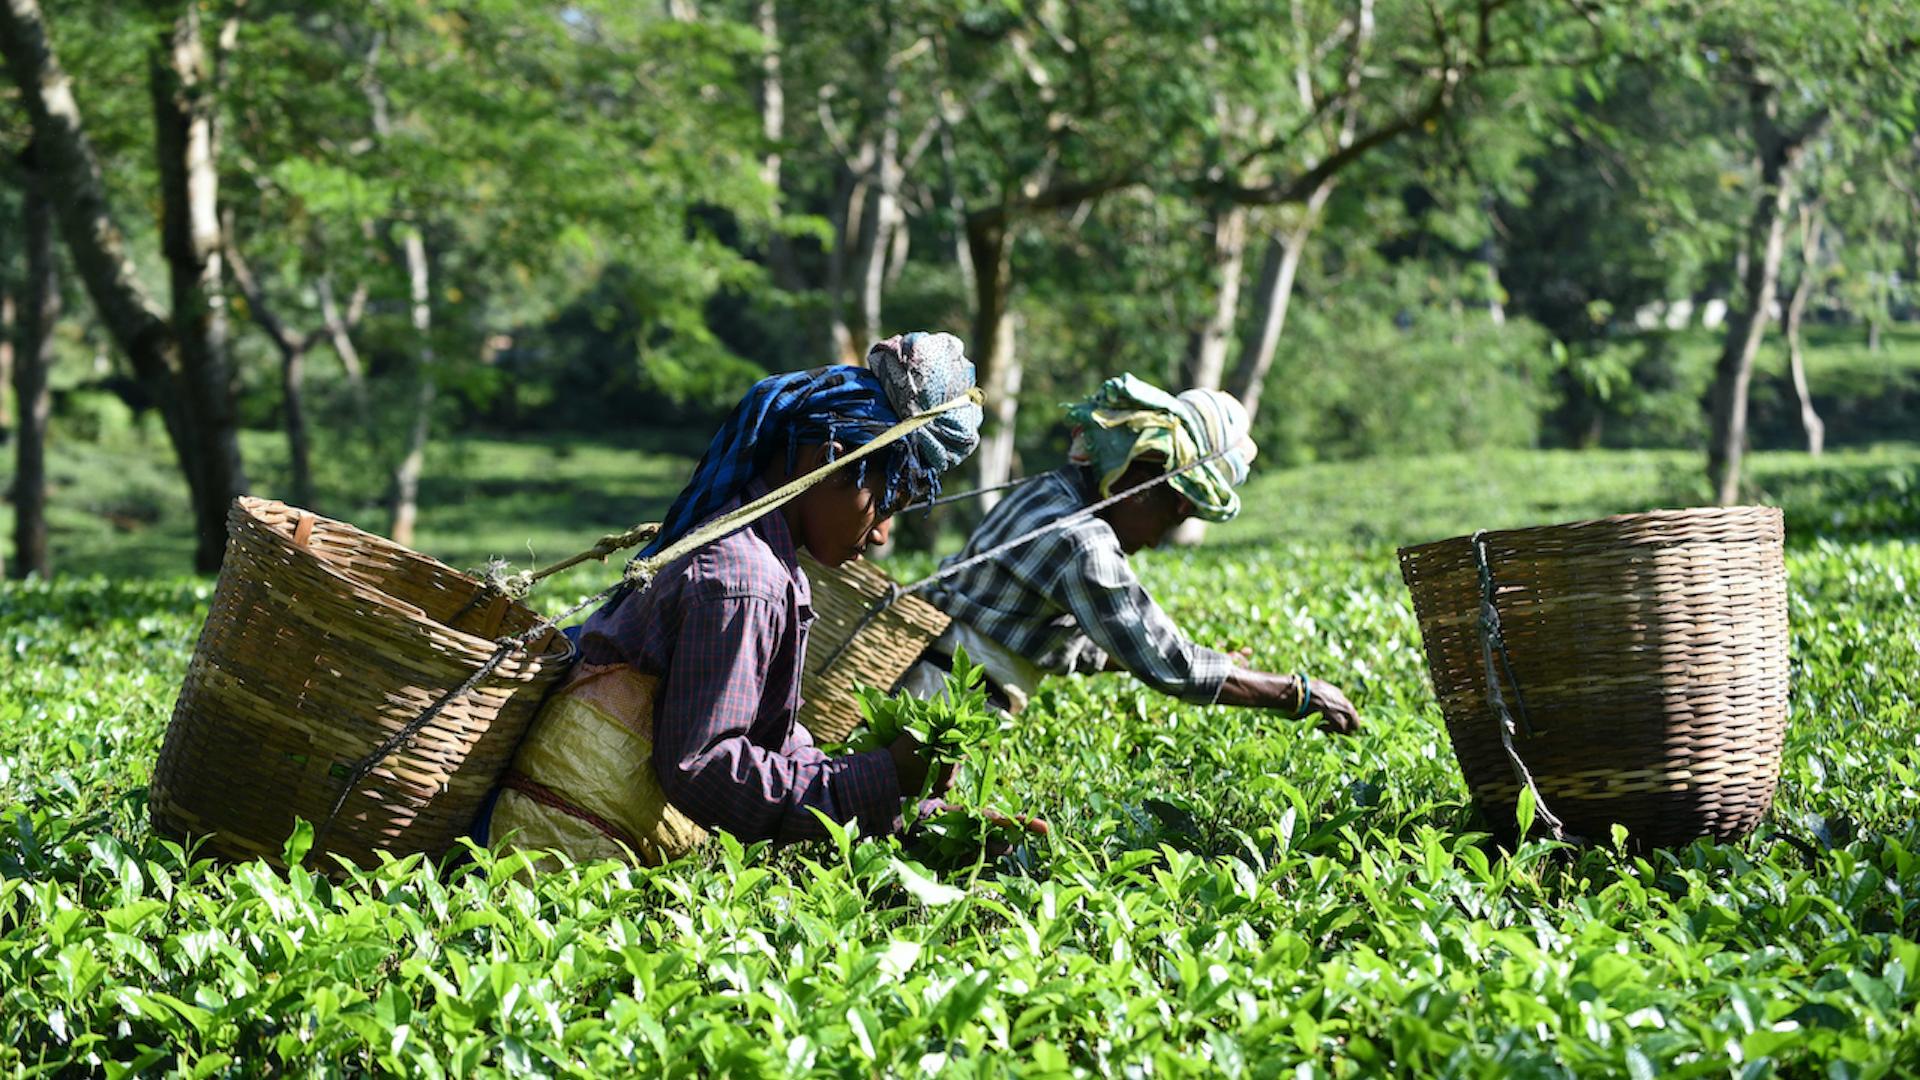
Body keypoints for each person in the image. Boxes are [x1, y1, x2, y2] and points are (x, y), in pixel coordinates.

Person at [480, 333, 984, 865]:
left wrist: (926, 817)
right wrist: (884, 775)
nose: (881, 533)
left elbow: (771, 744)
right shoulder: (746, 581)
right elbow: (706, 765)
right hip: (562, 855)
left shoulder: (760, 560)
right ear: (829, 460)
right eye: (884, 502)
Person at [899, 373, 1361, 733]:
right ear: (1143, 479)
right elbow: (1172, 665)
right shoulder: (1084, 543)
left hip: (934, 683)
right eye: (1171, 516)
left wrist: (1212, 666)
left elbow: (1045, 633)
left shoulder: (1047, 492)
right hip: (942, 703)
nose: (1157, 539)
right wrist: (1297, 693)